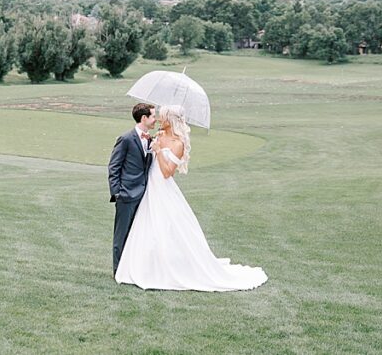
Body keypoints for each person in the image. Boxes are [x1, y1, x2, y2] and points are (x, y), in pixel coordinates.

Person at [114, 104, 268, 291]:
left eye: (162, 117)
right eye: (158, 116)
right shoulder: (159, 135)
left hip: (162, 186)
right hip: (147, 187)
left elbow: (167, 172)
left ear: (170, 120)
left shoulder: (178, 143)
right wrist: (153, 144)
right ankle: (141, 265)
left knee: (166, 227)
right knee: (146, 227)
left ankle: (167, 267)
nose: (159, 120)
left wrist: (158, 151)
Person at [108, 102, 156, 275]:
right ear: (144, 118)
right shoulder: (126, 139)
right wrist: (117, 193)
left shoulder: (151, 139)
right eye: (153, 116)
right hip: (126, 195)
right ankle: (118, 271)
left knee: (137, 235)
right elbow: (114, 166)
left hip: (143, 195)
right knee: (121, 236)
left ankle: (132, 269)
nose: (155, 119)